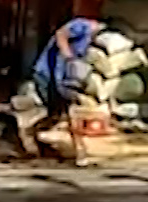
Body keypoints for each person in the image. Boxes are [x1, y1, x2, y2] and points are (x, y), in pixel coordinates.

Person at [21, 16, 101, 165]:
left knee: (56, 116)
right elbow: (61, 34)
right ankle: (80, 154)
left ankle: (29, 133)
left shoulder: (88, 38)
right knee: (71, 114)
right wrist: (69, 58)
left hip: (62, 78)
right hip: (49, 75)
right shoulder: (81, 25)